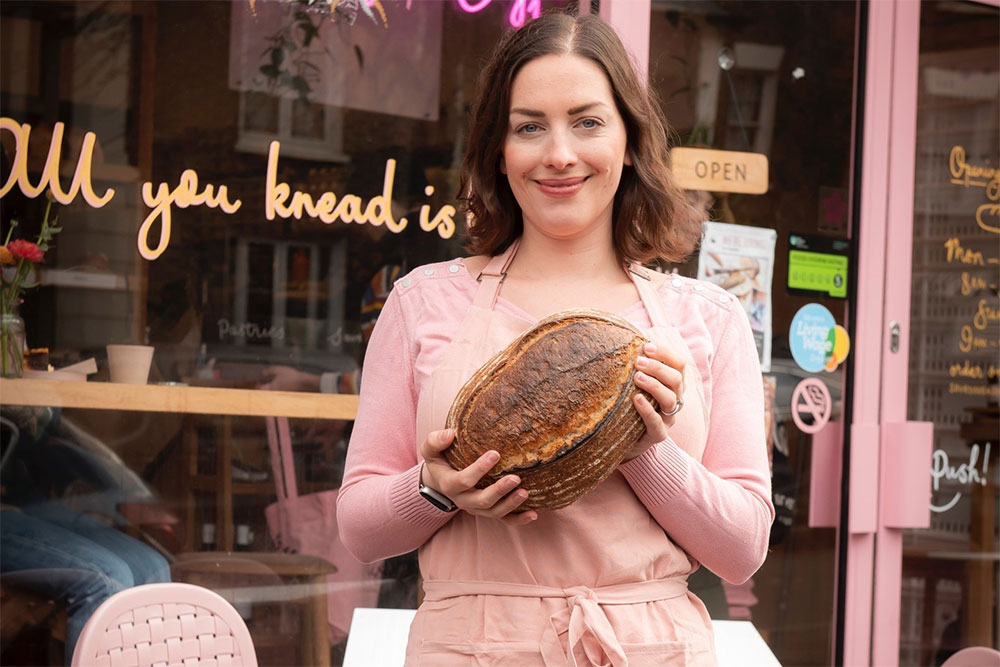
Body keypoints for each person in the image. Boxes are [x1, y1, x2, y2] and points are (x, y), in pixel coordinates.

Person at [337, 10, 773, 666]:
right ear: (500, 152)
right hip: (470, 648)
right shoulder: (423, 301)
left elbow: (742, 549)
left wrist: (635, 446)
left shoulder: (708, 317)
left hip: (649, 648)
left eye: (588, 121)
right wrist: (434, 487)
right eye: (529, 127)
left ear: (628, 142)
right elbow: (360, 528)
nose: (560, 153)